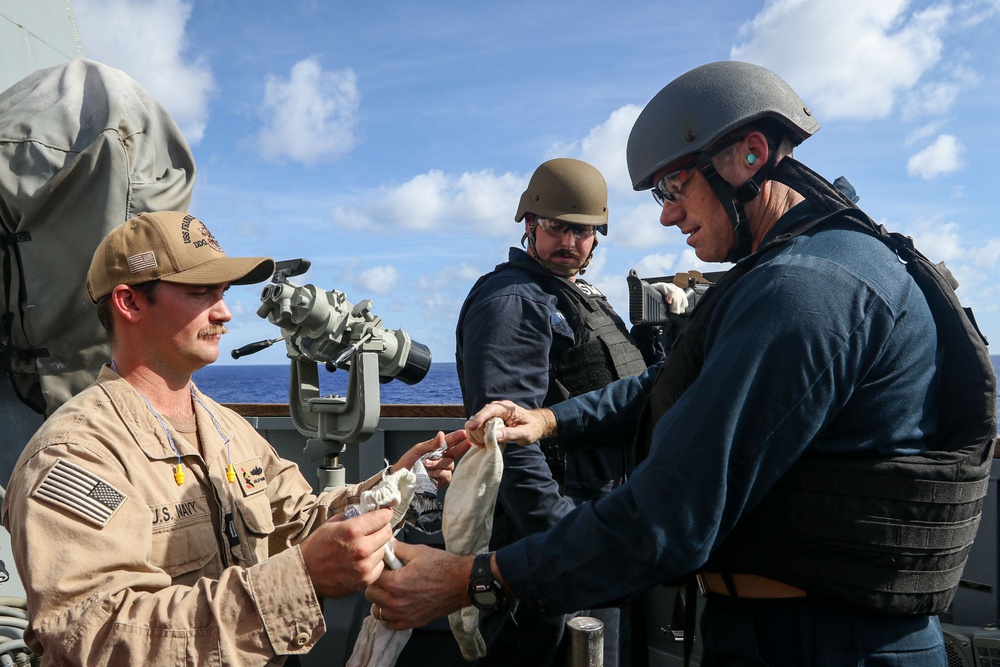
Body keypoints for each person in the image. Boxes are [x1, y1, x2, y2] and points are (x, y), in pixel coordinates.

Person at [366, 61, 997, 667]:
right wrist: (551, 421)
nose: (668, 214)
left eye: (674, 187)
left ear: (750, 156)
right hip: (790, 623)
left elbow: (676, 507)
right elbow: (673, 382)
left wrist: (477, 578)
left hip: (820, 640)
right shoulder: (819, 267)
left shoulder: (806, 289)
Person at [0, 211, 467, 666]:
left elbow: (301, 521)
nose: (224, 312)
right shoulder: (77, 454)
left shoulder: (226, 428)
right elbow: (94, 638)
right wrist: (301, 578)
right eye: (200, 293)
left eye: (222, 293)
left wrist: (400, 483)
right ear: (130, 303)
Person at [455, 158, 659, 667]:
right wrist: (569, 543)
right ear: (530, 224)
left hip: (597, 523)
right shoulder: (514, 301)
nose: (570, 241)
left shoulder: (575, 296)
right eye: (556, 226)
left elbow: (622, 384)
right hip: (550, 545)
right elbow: (507, 442)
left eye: (582, 231)